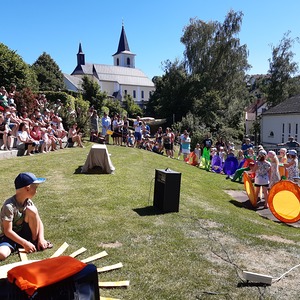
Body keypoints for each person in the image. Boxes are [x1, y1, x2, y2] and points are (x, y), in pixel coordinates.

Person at [0, 172, 53, 260]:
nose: (36, 191)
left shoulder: (28, 202)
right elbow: (8, 231)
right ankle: (22, 245)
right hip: (11, 238)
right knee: (2, 254)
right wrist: (24, 243)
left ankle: (34, 241)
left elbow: (39, 222)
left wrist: (41, 238)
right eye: (35, 187)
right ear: (27, 188)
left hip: (26, 235)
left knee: (32, 210)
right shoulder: (9, 206)